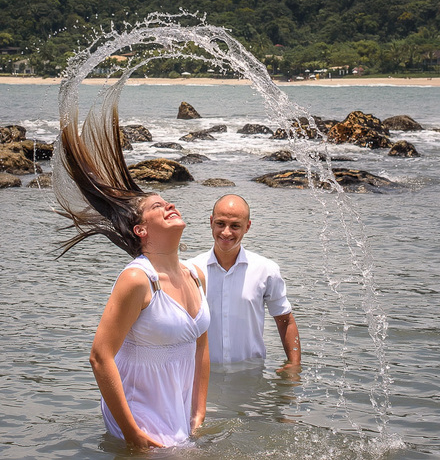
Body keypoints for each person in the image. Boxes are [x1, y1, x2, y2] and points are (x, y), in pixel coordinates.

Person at [52, 91, 210, 448]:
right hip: (142, 418)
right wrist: (132, 433)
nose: (170, 204)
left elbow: (202, 345)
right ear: (141, 230)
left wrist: (199, 410)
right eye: (158, 206)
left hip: (179, 414)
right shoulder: (138, 279)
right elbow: (99, 355)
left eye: (167, 201)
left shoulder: (196, 275)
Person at [191, 194, 301, 369]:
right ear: (211, 222)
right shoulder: (190, 270)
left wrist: (294, 365)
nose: (226, 232)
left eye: (235, 226)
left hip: (251, 374)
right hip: (202, 375)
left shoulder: (265, 269)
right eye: (220, 223)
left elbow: (285, 319)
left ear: (247, 227)